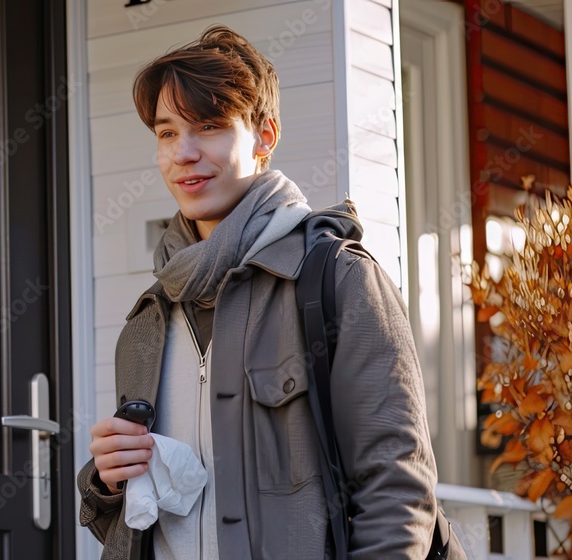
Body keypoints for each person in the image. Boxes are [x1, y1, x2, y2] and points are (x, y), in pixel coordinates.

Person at [77, 25, 439, 558]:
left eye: (209, 126)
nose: (183, 153)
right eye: (167, 133)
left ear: (264, 136)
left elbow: (397, 489)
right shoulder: (147, 321)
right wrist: (108, 480)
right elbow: (137, 522)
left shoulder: (337, 280)